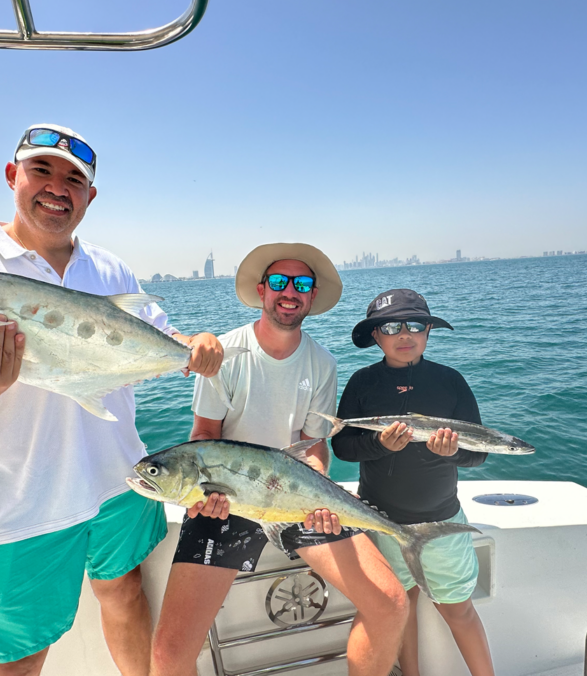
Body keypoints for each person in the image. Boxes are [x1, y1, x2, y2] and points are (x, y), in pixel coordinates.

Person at [0, 124, 224, 676]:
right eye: (42, 170)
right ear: (13, 176)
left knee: (125, 592)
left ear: (89, 195)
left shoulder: (108, 269)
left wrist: (193, 346)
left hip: (120, 478)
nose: (58, 186)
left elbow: (158, 340)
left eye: (74, 178)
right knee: (16, 654)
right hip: (22, 500)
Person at [150, 243, 409, 676]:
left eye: (302, 283)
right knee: (169, 655)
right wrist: (202, 496)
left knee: (391, 604)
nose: (290, 291)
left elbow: (312, 446)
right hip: (223, 504)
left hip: (294, 499)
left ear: (311, 296)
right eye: (279, 281)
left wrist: (320, 491)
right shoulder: (226, 354)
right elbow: (204, 437)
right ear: (261, 290)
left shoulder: (322, 363)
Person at [331, 288, 495, 676]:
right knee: (399, 606)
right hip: (381, 520)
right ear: (376, 335)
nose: (405, 334)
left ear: (428, 332)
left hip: (442, 521)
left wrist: (450, 453)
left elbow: (479, 452)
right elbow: (342, 446)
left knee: (459, 610)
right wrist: (379, 444)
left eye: (415, 325)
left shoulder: (451, 381)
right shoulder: (362, 382)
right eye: (391, 326)